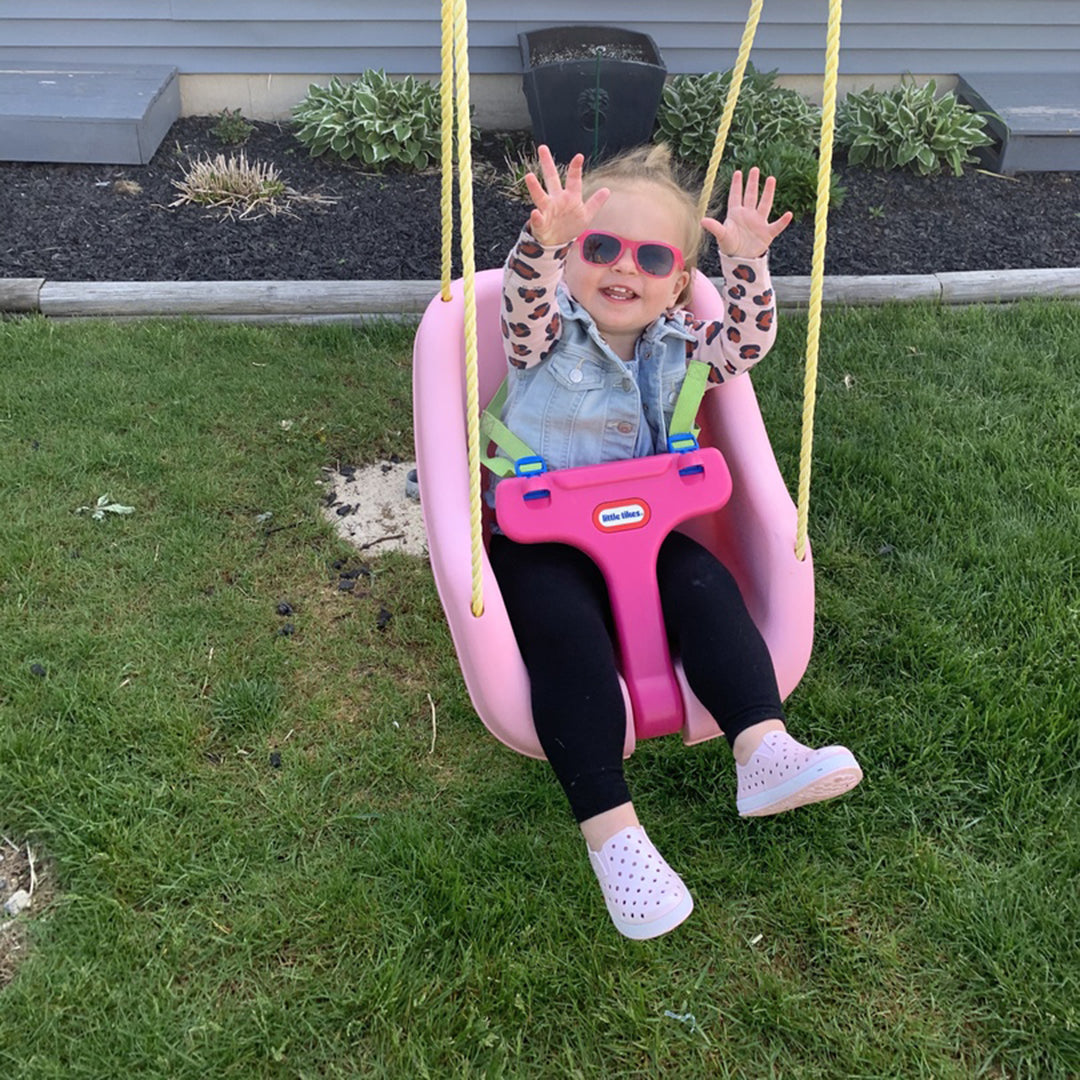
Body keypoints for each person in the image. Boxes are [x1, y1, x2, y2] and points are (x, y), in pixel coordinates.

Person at [488, 143, 862, 940]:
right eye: (600, 248)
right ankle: (614, 836)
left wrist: (747, 265)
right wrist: (542, 243)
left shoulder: (683, 343)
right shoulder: (545, 334)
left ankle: (762, 749)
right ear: (573, 260)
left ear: (680, 279)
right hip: (541, 541)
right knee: (567, 638)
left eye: (652, 257)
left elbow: (747, 345)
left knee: (708, 589)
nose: (625, 267)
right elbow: (522, 299)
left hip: (647, 536)